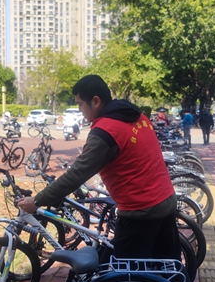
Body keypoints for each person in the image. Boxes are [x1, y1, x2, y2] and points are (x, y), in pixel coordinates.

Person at [16, 75, 180, 261]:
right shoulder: (137, 115)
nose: (80, 110)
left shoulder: (106, 131)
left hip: (141, 211)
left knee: (126, 274)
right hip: (166, 200)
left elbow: (77, 174)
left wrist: (37, 200)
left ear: (95, 101)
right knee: (167, 265)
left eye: (80, 104)